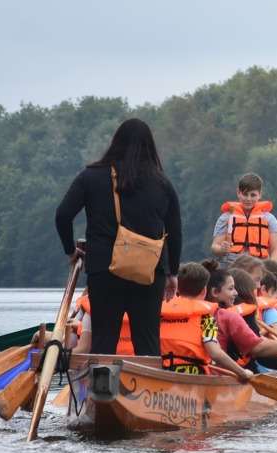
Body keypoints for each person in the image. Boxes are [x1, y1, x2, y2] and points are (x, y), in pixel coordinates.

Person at [55, 118, 182, 356]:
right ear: (150, 146)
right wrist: (172, 272)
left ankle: (100, 392)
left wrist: (70, 251)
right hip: (149, 271)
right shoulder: (163, 182)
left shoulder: (90, 177)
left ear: (116, 142)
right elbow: (175, 231)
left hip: (104, 269)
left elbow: (62, 214)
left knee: (103, 340)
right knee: (148, 342)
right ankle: (149, 391)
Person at [202, 260, 277, 370]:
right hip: (230, 373)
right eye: (230, 288)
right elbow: (258, 348)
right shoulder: (229, 316)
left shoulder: (203, 314)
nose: (235, 293)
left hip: (200, 371)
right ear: (214, 292)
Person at [210, 173, 277, 268]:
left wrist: (270, 267)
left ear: (260, 194)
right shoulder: (225, 217)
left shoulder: (269, 219)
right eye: (245, 194)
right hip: (230, 263)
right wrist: (222, 249)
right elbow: (215, 246)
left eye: (253, 195)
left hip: (258, 264)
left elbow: (276, 250)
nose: (248, 199)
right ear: (238, 193)